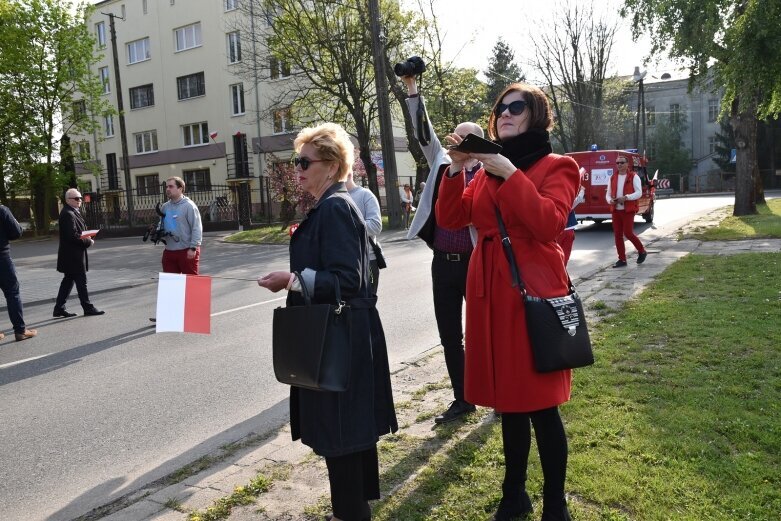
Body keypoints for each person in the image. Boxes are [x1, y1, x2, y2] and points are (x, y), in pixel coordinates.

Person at [436, 83, 581, 521]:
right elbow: (451, 218)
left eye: (515, 107)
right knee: (509, 404)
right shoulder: (482, 171)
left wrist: (509, 172)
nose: (504, 114)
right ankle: (513, 495)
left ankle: (555, 504)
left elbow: (547, 223)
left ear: (536, 115)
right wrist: (456, 168)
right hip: (489, 298)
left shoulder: (559, 165)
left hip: (530, 296)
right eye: (500, 108)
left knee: (540, 407)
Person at [257, 122, 397, 521]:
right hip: (341, 338)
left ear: (332, 165)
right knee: (346, 441)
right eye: (295, 161)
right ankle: (350, 511)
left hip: (341, 342)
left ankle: (350, 513)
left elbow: (348, 279)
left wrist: (293, 280)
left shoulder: (336, 206)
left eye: (304, 161)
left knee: (343, 439)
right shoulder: (329, 205)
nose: (296, 168)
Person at [401, 74, 478, 424]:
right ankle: (462, 399)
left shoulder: (488, 173)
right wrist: (412, 88)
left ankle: (497, 395)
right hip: (442, 266)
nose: (457, 141)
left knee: (484, 334)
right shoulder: (442, 164)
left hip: (476, 264)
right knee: (450, 336)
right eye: (456, 136)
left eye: (466, 138)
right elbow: (422, 132)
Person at [53, 188, 104, 317]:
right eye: (76, 198)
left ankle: (59, 308)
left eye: (80, 198)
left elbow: (77, 232)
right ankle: (88, 308)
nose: (79, 200)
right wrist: (88, 241)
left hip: (72, 255)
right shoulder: (67, 213)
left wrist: (87, 235)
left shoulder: (72, 211)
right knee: (81, 282)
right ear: (68, 200)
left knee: (68, 281)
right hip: (72, 256)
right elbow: (73, 236)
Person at [0, 205, 37, 341]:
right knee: (12, 293)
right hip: (1, 258)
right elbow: (16, 232)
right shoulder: (2, 210)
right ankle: (20, 331)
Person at [606, 154, 647, 267]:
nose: (619, 165)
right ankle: (622, 260)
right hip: (616, 209)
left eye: (622, 162)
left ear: (627, 164)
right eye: (617, 163)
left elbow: (639, 193)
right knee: (617, 235)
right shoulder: (613, 177)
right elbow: (608, 194)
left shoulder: (634, 176)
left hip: (628, 209)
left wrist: (626, 197)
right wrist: (610, 201)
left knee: (628, 233)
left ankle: (642, 251)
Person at [345, 170, 383, 295]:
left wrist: (347, 227)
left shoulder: (365, 195)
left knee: (367, 305)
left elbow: (376, 226)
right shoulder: (333, 197)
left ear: (349, 173)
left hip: (367, 262)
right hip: (344, 262)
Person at [160, 176, 203, 274]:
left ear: (180, 188)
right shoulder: (165, 207)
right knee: (171, 285)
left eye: (171, 186)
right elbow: (162, 224)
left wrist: (193, 248)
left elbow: (196, 227)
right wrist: (158, 231)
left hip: (187, 250)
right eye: (166, 187)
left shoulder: (189, 206)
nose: (167, 189)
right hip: (169, 251)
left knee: (191, 284)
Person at [555, 183, 585, 266]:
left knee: (557, 254)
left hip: (557, 230)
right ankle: (562, 274)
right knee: (565, 255)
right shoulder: (568, 199)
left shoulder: (554, 199)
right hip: (569, 229)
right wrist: (582, 190)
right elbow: (578, 199)